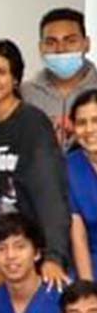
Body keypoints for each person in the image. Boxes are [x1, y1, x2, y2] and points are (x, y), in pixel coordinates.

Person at [0, 39, 71, 286]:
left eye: (1, 72)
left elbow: (50, 196)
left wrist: (53, 256)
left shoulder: (33, 124)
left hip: (33, 255)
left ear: (16, 79)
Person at [23, 7, 97, 147]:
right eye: (51, 43)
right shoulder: (25, 93)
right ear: (40, 47)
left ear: (86, 44)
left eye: (70, 41)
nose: (61, 49)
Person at [67, 89, 97, 280]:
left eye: (95, 120)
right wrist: (90, 291)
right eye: (81, 123)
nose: (89, 129)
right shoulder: (67, 167)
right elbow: (78, 235)